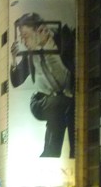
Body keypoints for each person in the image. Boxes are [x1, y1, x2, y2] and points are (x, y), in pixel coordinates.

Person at [10, 11, 75, 158]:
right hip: (40, 101)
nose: (24, 42)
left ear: (39, 31)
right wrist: (14, 60)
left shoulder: (63, 40)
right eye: (21, 37)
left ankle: (50, 156)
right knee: (67, 103)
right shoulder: (30, 54)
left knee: (62, 112)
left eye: (25, 36)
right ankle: (55, 155)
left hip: (60, 103)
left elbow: (67, 80)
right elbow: (16, 80)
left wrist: (48, 47)